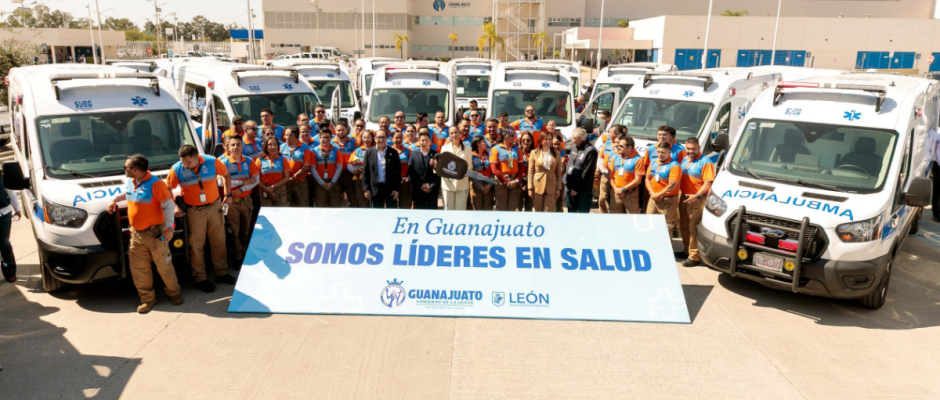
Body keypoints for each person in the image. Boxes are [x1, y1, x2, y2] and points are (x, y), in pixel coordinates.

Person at [107, 155, 182, 312]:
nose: (124, 170)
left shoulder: (157, 184)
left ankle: (174, 293)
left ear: (135, 170)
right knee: (139, 268)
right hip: (136, 234)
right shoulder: (132, 181)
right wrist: (114, 199)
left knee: (164, 266)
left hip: (156, 233)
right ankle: (147, 299)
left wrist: (169, 228)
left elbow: (168, 207)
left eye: (126, 168)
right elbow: (129, 195)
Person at [165, 145, 234, 293]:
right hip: (194, 211)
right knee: (196, 245)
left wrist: (228, 195)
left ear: (197, 157)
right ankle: (200, 278)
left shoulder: (211, 161)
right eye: (183, 161)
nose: (185, 165)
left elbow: (227, 175)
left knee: (219, 241)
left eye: (188, 162)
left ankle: (221, 273)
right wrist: (174, 206)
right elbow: (168, 188)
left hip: (215, 207)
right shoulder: (177, 168)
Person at [220, 137, 260, 268]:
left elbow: (255, 180)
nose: (235, 147)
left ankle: (245, 253)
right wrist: (242, 182)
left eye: (238, 144)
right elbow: (220, 182)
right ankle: (237, 256)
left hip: (246, 201)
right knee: (233, 230)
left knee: (246, 229)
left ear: (242, 147)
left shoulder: (249, 162)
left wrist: (241, 189)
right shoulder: (223, 163)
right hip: (232, 203)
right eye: (233, 145)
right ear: (228, 147)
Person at [678, 138, 715, 267]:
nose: (690, 151)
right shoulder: (685, 159)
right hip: (684, 198)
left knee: (693, 228)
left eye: (693, 149)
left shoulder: (706, 162)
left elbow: (708, 183)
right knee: (684, 225)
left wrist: (697, 196)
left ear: (699, 148)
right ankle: (686, 250)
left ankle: (694, 257)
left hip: (697, 200)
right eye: (688, 148)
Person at [645, 142, 682, 240]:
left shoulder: (674, 165)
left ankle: (666, 250)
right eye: (658, 152)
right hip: (653, 198)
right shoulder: (654, 162)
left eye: (663, 153)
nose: (660, 155)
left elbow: (672, 185)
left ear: (669, 152)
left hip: (667, 200)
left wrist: (658, 195)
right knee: (650, 223)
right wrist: (653, 194)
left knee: (666, 226)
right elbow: (648, 179)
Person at [362, 130, 401, 208]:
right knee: (377, 214)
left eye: (383, 137)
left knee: (392, 212)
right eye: (379, 137)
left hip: (390, 189)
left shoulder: (393, 152)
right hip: (375, 189)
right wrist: (366, 189)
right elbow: (365, 171)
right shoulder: (369, 152)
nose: (381, 140)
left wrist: (397, 189)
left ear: (386, 138)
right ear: (375, 139)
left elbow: (397, 172)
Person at [608, 135, 646, 214]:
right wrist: (617, 190)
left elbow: (638, 180)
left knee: (632, 218)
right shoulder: (615, 158)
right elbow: (611, 177)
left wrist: (623, 189)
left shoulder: (638, 160)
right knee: (614, 218)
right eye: (618, 145)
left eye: (621, 146)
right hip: (616, 193)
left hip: (630, 194)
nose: (618, 148)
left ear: (629, 148)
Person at [440, 120, 473, 210]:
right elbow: (441, 165)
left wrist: (467, 171)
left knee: (460, 211)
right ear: (449, 135)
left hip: (462, 184)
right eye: (451, 133)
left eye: (456, 132)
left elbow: (470, 166)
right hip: (447, 184)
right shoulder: (444, 148)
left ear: (459, 133)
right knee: (448, 211)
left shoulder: (467, 149)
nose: (454, 135)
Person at [527, 130, 563, 212]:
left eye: (550, 139)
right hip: (537, 185)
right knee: (538, 210)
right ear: (541, 140)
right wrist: (530, 188)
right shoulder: (534, 153)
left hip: (551, 185)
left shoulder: (556, 153)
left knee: (548, 211)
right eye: (546, 139)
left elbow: (558, 173)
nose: (548, 141)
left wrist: (558, 188)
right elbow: (530, 172)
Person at [565, 128, 598, 213]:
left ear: (580, 138)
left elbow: (587, 173)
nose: (572, 141)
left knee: (582, 216)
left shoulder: (591, 151)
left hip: (583, 190)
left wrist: (576, 189)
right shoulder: (574, 148)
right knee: (570, 215)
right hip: (570, 188)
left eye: (573, 138)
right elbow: (570, 164)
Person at [490, 129, 523, 211]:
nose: (513, 137)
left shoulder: (517, 149)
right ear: (504, 136)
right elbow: (494, 169)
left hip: (514, 181)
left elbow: (521, 167)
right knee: (501, 207)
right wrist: (506, 181)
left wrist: (516, 181)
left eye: (514, 135)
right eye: (511, 135)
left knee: (512, 207)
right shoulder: (495, 149)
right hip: (501, 182)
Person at [280, 128, 314, 207]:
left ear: (293, 136)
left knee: (303, 206)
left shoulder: (305, 148)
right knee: (287, 207)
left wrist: (293, 178)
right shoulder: (281, 147)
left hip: (300, 183)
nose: (284, 137)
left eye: (286, 135)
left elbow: (306, 167)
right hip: (285, 183)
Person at [409, 130, 441, 209]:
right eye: (422, 140)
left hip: (432, 191)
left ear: (430, 141)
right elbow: (411, 172)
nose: (424, 142)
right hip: (418, 190)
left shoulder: (435, 155)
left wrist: (431, 186)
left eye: (426, 140)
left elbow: (438, 173)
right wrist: (420, 185)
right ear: (419, 141)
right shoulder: (413, 154)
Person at [256, 136, 290, 207]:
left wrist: (273, 187)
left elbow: (287, 178)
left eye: (275, 144)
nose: (273, 147)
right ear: (265, 146)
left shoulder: (283, 159)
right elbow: (256, 179)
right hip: (265, 190)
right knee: (267, 214)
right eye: (270, 144)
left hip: (280, 190)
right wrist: (267, 190)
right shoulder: (259, 160)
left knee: (281, 213)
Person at [330, 121, 358, 207]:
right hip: (336, 174)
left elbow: (357, 157)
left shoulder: (353, 142)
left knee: (352, 196)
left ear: (347, 130)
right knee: (335, 197)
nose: (340, 132)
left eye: (342, 130)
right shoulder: (331, 142)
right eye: (338, 130)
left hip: (349, 174)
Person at [1, 173, 22, 283]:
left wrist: (17, 210)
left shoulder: (3, 177)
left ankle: (10, 271)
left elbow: (11, 193)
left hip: (3, 213)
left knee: (4, 243)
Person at [313, 130, 343, 207]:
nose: (326, 139)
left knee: (335, 207)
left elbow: (339, 167)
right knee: (320, 207)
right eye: (323, 137)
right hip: (320, 184)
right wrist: (322, 183)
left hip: (333, 183)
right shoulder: (314, 151)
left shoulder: (336, 150)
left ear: (331, 138)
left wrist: (332, 182)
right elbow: (313, 169)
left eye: (328, 137)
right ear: (319, 138)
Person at [347, 130, 375, 208]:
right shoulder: (357, 151)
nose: (366, 140)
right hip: (360, 180)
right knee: (363, 201)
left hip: (374, 179)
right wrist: (354, 170)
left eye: (368, 137)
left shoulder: (376, 150)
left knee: (375, 201)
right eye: (364, 138)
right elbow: (349, 164)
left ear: (372, 138)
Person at [470, 136, 495, 211]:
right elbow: (471, 174)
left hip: (488, 185)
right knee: (478, 209)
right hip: (477, 186)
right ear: (478, 144)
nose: (486, 144)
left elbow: (493, 170)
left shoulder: (489, 155)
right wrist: (480, 186)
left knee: (488, 209)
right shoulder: (471, 156)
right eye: (483, 142)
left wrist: (489, 185)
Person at [391, 131, 413, 209]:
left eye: (400, 137)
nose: (398, 139)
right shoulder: (388, 150)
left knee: (405, 206)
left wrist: (409, 178)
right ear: (392, 139)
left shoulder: (408, 151)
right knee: (391, 206)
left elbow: (412, 166)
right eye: (396, 138)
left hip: (405, 182)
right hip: (392, 182)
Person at [518, 132, 535, 211]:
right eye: (523, 140)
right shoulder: (518, 152)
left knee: (529, 207)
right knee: (518, 206)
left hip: (531, 182)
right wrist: (520, 183)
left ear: (531, 142)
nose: (526, 142)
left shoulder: (535, 153)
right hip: (520, 182)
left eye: (528, 140)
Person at [552, 134, 568, 213]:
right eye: (554, 144)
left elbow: (566, 170)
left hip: (560, 181)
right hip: (550, 180)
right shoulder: (548, 153)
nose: (556, 146)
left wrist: (563, 165)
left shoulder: (564, 154)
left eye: (558, 144)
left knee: (559, 202)